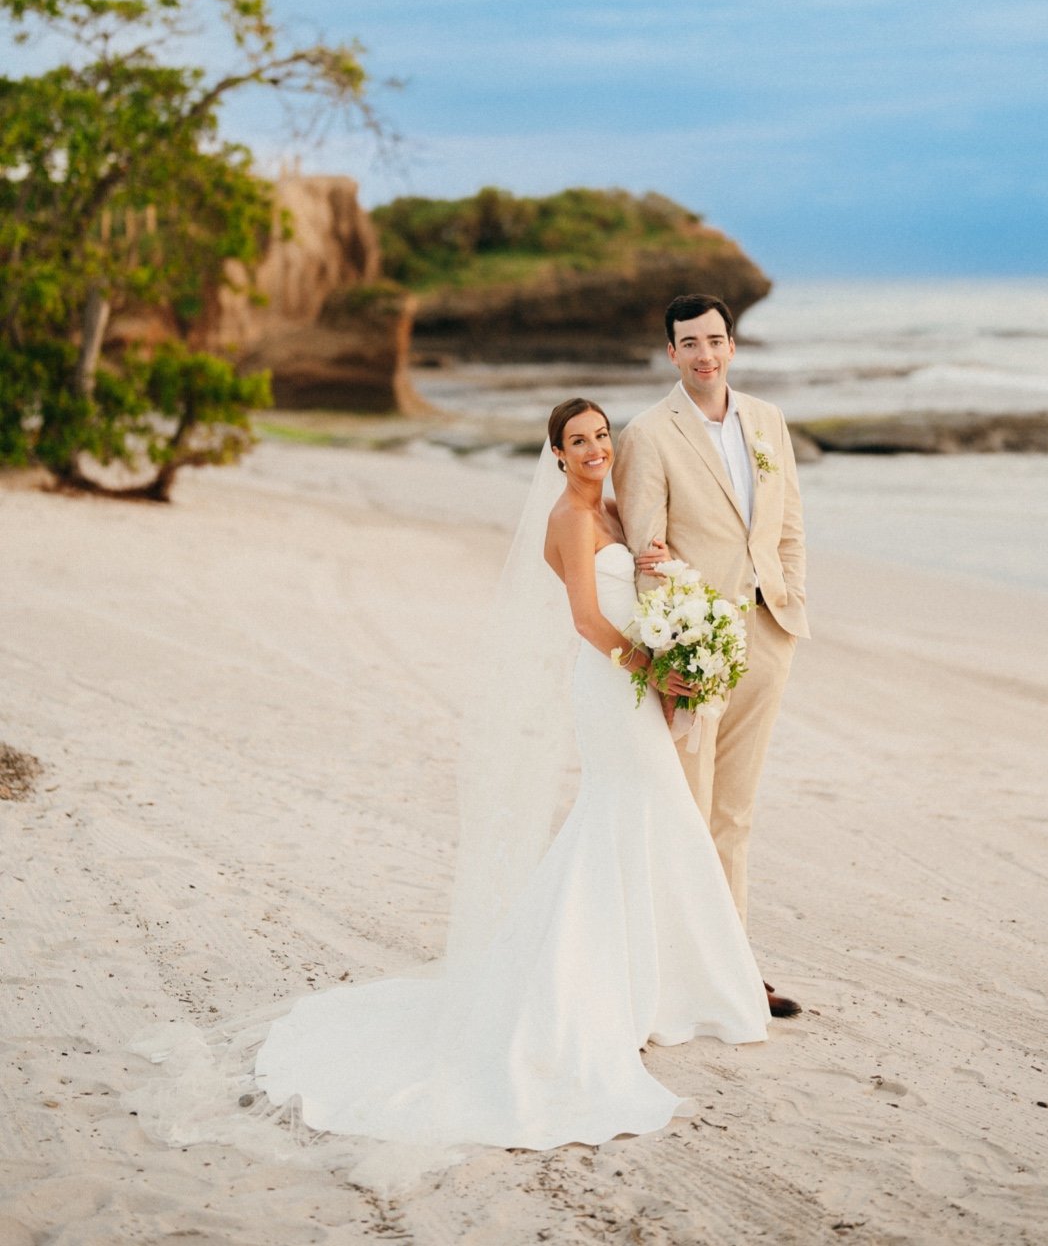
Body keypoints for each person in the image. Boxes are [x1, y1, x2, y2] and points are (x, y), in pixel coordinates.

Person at [251, 397, 770, 1162]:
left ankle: (663, 987)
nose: (594, 449)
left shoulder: (619, 510)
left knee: (655, 818)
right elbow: (590, 624)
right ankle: (604, 990)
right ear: (556, 455)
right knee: (625, 815)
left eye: (601, 436)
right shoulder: (569, 518)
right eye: (578, 441)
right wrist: (657, 668)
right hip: (610, 685)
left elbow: (641, 582)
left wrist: (669, 591)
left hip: (636, 684)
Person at [613, 294, 810, 1019]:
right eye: (689, 343)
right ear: (671, 353)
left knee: (736, 811)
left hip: (769, 630)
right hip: (698, 644)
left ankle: (733, 966)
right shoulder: (647, 434)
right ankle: (676, 968)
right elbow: (646, 551)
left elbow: (788, 524)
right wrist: (673, 642)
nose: (705, 354)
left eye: (716, 340)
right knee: (687, 808)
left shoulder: (767, 422)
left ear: (733, 346)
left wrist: (790, 602)